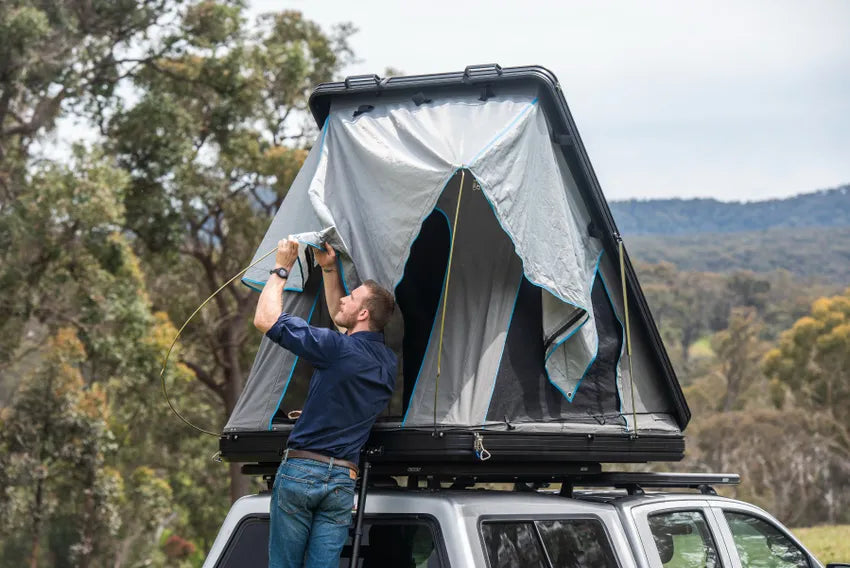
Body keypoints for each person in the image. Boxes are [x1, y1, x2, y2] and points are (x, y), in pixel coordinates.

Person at [253, 238, 398, 568]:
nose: (343, 299)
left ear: (363, 313)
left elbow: (265, 319)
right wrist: (329, 269)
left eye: (352, 297)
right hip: (342, 484)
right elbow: (341, 320)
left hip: (302, 472)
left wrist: (282, 268)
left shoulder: (336, 349)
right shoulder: (386, 363)